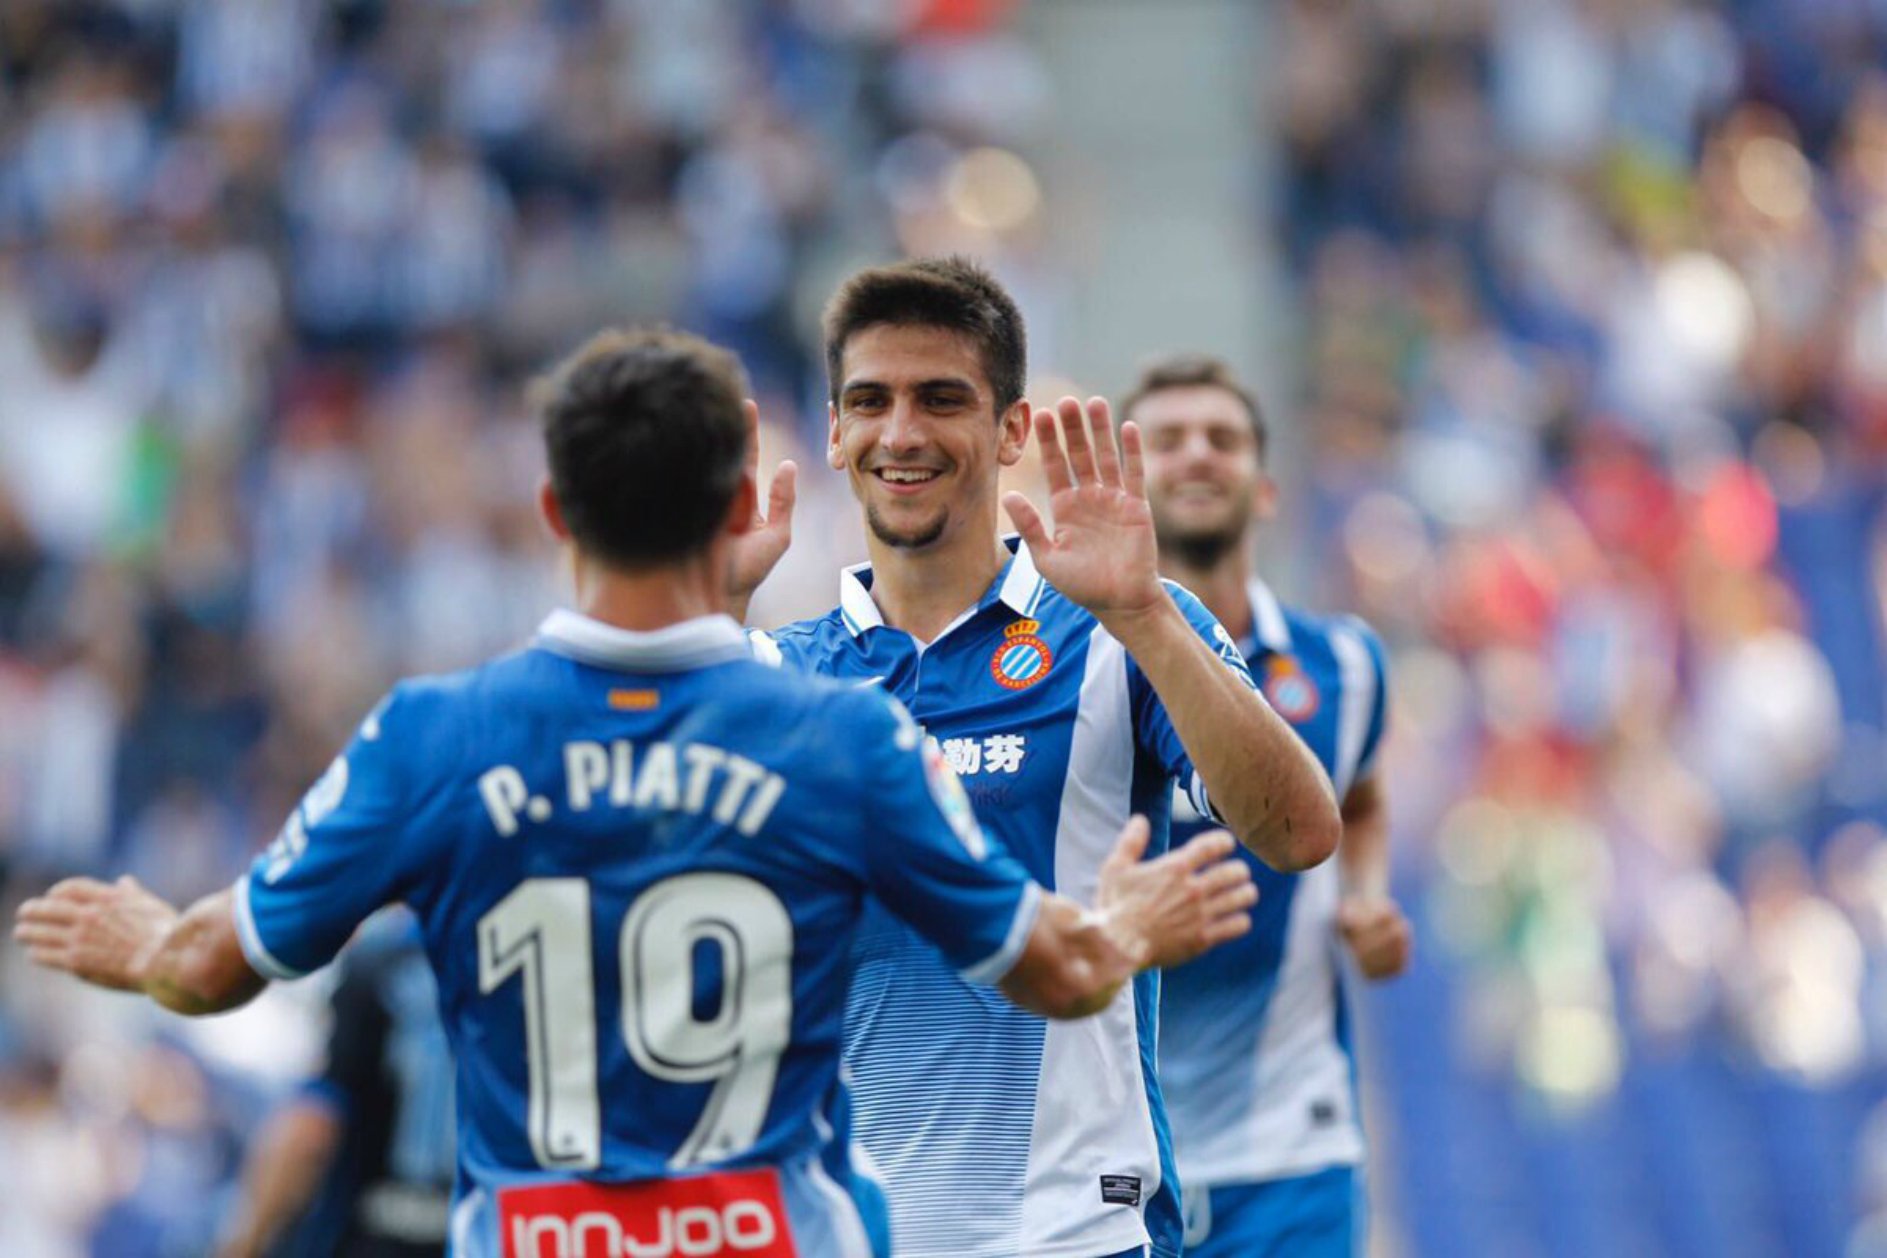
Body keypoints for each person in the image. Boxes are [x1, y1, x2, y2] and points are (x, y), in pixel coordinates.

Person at [14, 328, 1260, 1258]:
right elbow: (1047, 965)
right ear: (737, 510)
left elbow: (212, 965)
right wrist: (1129, 933)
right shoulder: (839, 738)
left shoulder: (432, 735)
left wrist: (145, 946)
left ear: (555, 509)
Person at [737, 258, 1342, 1258]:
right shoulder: (773, 671)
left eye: (942, 399)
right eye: (870, 401)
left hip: (1073, 1232)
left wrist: (1146, 613)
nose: (902, 433)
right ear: (835, 430)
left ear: (1012, 430)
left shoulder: (1116, 627)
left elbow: (1299, 830)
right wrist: (709, 616)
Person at [1125, 354, 1412, 1257]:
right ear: (1121, 489)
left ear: (1268, 486)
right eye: (1164, 441)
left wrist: (1365, 894)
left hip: (1289, 1152)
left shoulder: (1348, 666)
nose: (1196, 456)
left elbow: (1359, 796)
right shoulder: (1067, 675)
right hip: (1110, 1157)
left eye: (1223, 438)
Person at [215, 911, 454, 1258]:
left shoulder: (379, 958)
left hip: (380, 1234)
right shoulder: (512, 950)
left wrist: (244, 1244)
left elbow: (312, 1127)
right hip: (493, 1230)